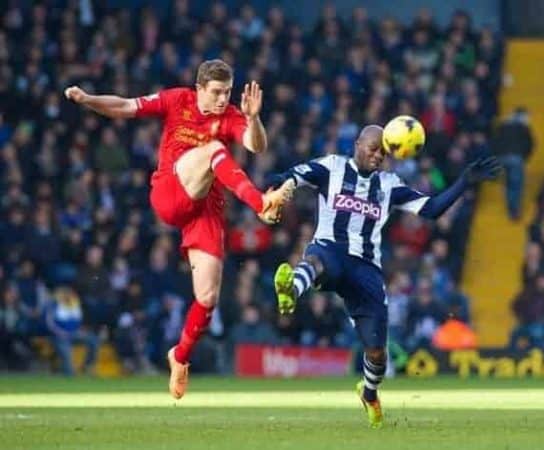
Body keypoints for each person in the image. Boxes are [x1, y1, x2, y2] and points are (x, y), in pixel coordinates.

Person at [65, 59, 294, 398]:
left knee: (207, 297)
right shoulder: (177, 100)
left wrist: (254, 118)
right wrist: (88, 99)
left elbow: (255, 145)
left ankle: (180, 357)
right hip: (171, 190)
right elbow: (127, 106)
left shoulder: (231, 115)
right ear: (199, 88)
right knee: (215, 149)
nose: (221, 99)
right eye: (216, 92)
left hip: (206, 209)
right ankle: (262, 204)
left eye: (227, 92)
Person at [271, 125, 500, 428]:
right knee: (318, 260)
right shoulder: (332, 167)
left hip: (366, 269)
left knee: (377, 353)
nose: (377, 155)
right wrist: (273, 188)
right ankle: (291, 291)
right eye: (372, 148)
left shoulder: (389, 185)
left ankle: (369, 394)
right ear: (356, 145)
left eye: (383, 151)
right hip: (331, 249)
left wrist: (464, 182)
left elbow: (431, 210)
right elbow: (289, 176)